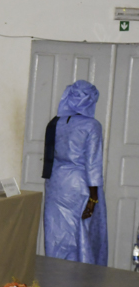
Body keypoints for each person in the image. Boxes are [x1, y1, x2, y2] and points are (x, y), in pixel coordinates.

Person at [42, 80, 108, 265]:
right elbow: (93, 163)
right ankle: (82, 281)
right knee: (81, 234)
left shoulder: (55, 123)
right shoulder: (92, 126)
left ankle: (55, 278)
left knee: (57, 232)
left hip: (56, 183)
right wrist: (93, 197)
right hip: (80, 184)